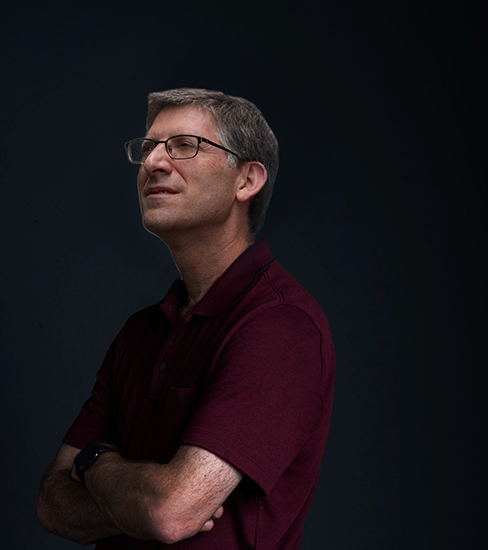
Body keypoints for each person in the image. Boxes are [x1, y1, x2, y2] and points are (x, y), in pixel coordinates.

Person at [37, 88, 336, 549]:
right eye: (149, 147)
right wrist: (142, 497)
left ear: (247, 180)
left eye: (183, 145)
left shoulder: (280, 326)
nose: (153, 163)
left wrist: (96, 462)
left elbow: (170, 513)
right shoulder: (141, 332)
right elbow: (53, 504)